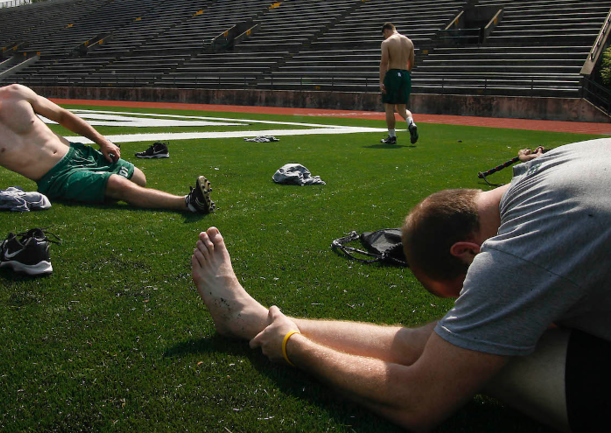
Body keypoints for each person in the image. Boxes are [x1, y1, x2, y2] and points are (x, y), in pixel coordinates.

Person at [191, 140, 610, 432]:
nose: (472, 296)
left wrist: (294, 347)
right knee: (465, 339)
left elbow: (418, 401)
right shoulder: (558, 163)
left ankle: (259, 324)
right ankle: (252, 319)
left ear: (467, 252)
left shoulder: (522, 247)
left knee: (495, 351)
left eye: (466, 289)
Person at [0, 65, 214, 214]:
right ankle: (188, 203)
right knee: (118, 185)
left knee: (140, 179)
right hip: (56, 178)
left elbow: (63, 117)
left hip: (77, 154)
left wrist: (102, 141)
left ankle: (107, 189)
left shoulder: (15, 93)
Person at [379, 23, 418, 145]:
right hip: (405, 74)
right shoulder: (409, 42)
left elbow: (384, 62)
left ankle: (392, 137)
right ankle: (411, 123)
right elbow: (411, 61)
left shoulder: (387, 42)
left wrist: (381, 81)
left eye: (384, 34)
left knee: (389, 107)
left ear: (386, 31)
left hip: (393, 74)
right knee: (402, 107)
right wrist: (406, 73)